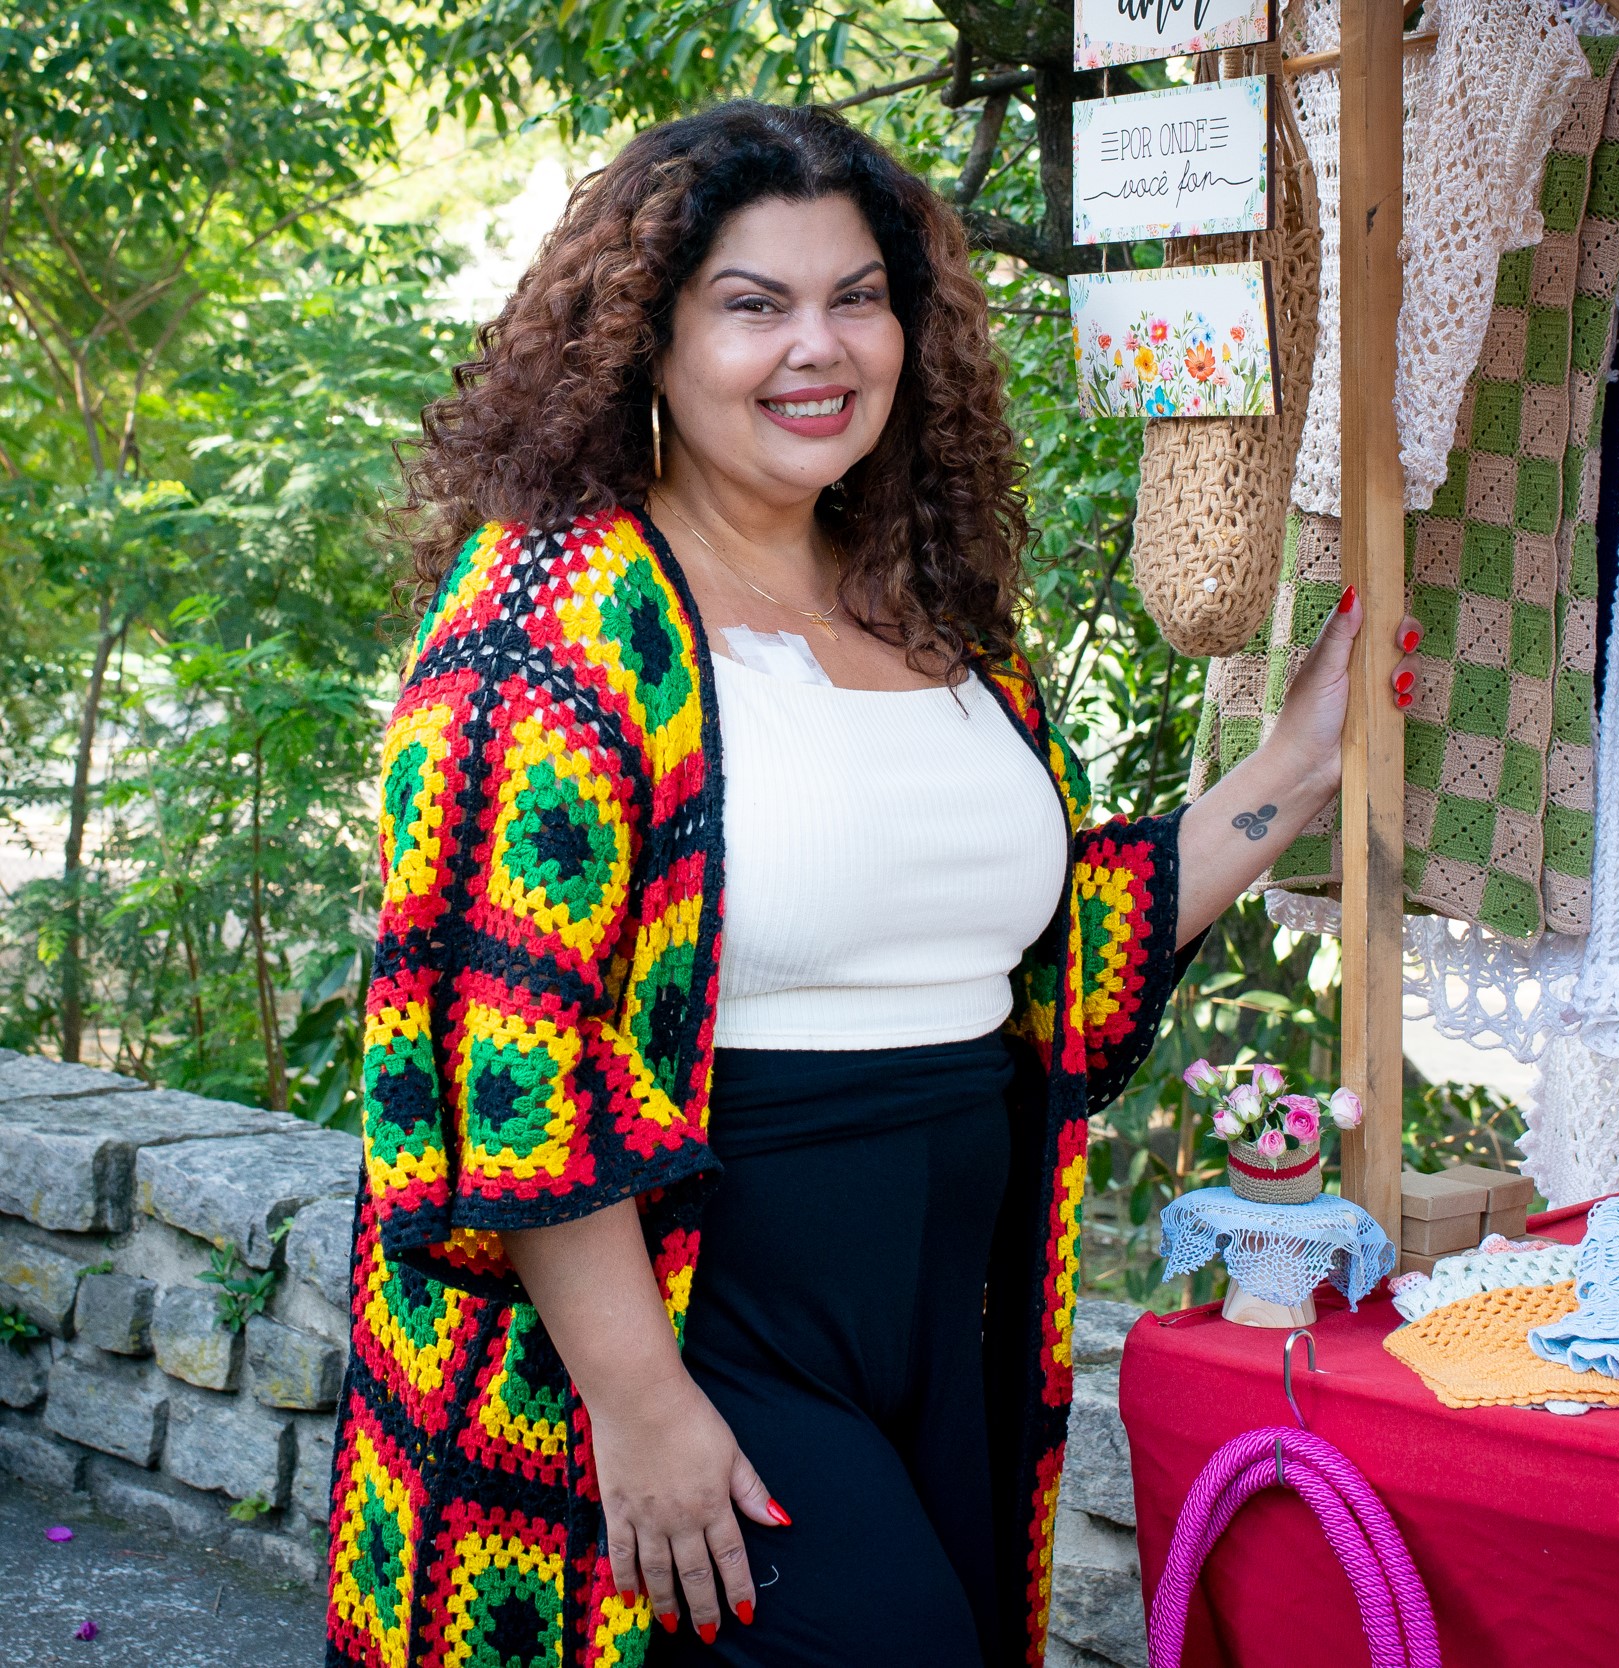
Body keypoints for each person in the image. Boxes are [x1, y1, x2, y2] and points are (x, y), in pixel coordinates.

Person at [327, 100, 1358, 1668]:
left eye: (858, 297)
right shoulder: (550, 617)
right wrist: (644, 1400)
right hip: (697, 1295)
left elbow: (1034, 964)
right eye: (754, 305)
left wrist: (1298, 767)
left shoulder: (922, 603)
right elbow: (492, 1040)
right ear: (645, 339)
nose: (820, 348)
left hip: (943, 1301)